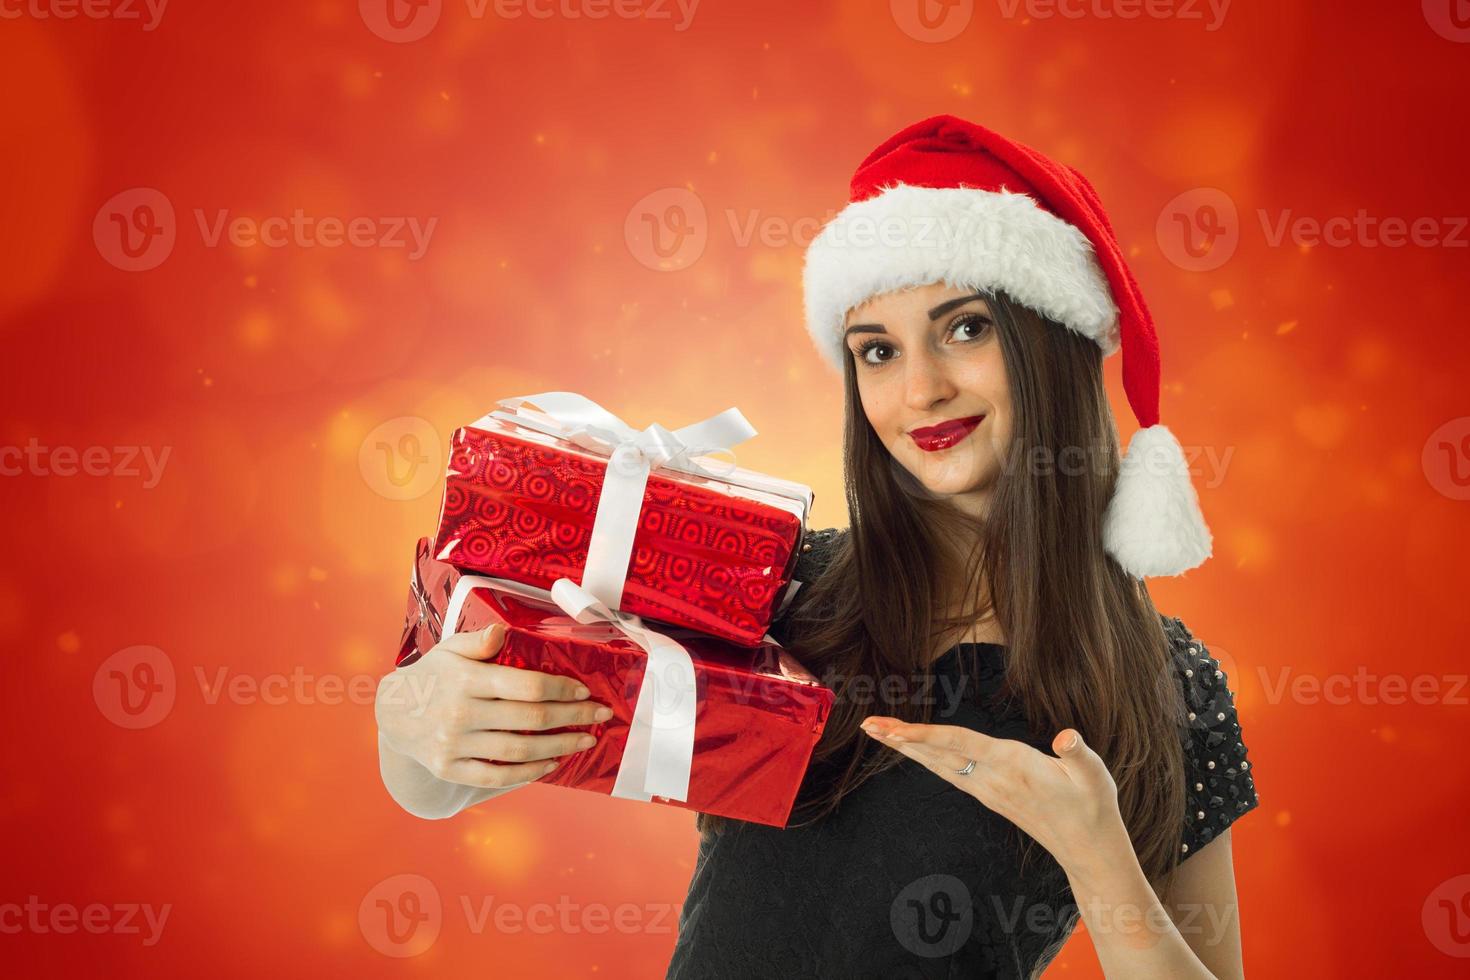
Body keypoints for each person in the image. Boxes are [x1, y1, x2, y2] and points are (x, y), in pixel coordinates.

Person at [374, 115, 1261, 979]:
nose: (920, 389)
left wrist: (1101, 865)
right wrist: (411, 720)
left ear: (1052, 341)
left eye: (965, 328)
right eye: (877, 351)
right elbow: (455, 776)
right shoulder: (784, 585)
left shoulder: (1169, 686)